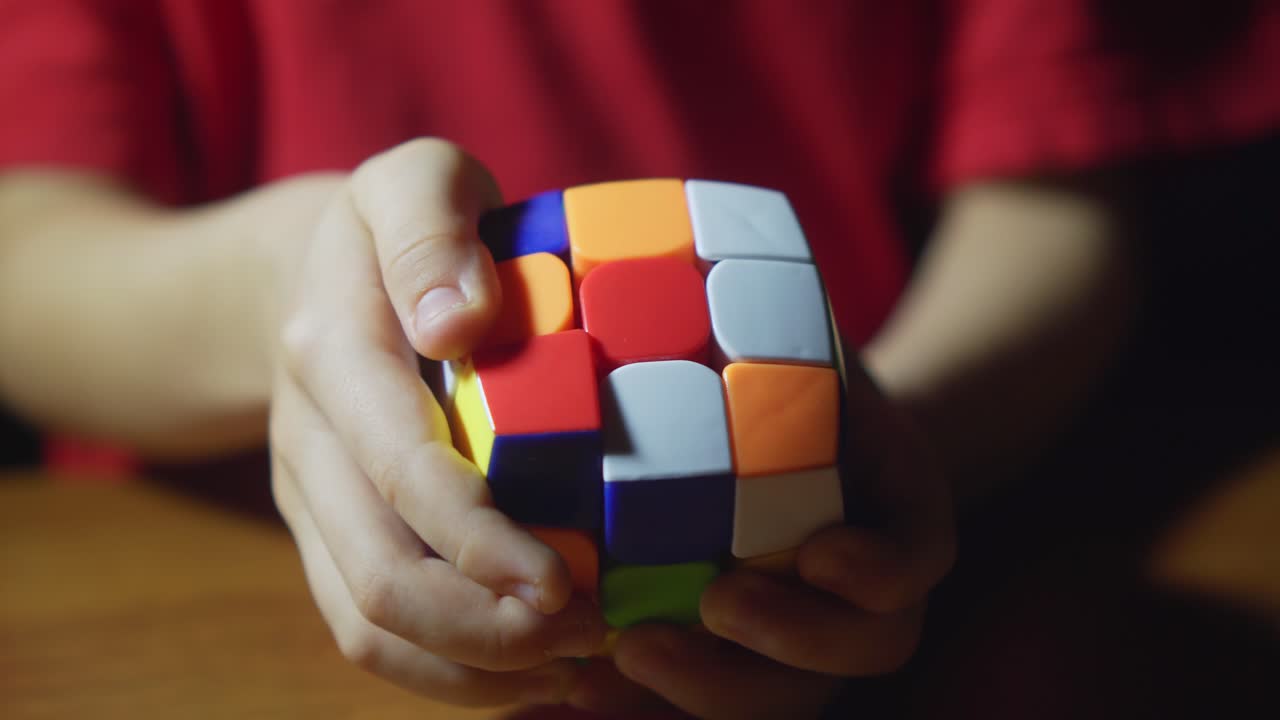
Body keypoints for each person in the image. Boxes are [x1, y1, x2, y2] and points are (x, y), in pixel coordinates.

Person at [1, 2, 1277, 718]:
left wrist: (888, 439)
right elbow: (26, 253)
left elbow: (1052, 208)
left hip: (908, 630)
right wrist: (286, 282)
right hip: (228, 626)